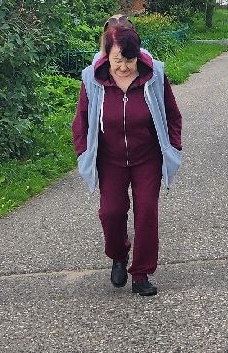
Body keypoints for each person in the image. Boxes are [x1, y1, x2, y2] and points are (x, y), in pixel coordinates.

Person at [73, 23, 182, 297]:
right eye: (117, 61)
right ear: (106, 55)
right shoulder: (92, 79)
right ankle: (118, 255)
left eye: (129, 61)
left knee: (146, 212)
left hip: (147, 157)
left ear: (138, 55)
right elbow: (82, 120)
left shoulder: (154, 74)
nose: (123, 67)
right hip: (109, 159)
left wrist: (174, 146)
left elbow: (172, 114)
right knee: (111, 212)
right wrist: (83, 151)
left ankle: (141, 272)